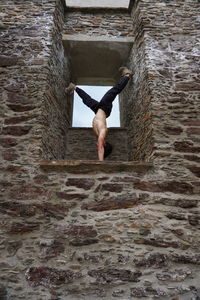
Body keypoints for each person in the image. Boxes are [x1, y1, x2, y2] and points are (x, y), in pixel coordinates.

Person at [65, 66, 133, 161]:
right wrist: (101, 161)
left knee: (88, 101)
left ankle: (74, 87)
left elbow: (101, 148)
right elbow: (101, 149)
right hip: (105, 108)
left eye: (98, 147)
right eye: (100, 147)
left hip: (99, 109)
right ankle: (127, 75)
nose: (97, 147)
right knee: (114, 91)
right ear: (104, 144)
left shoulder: (98, 134)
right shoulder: (102, 133)